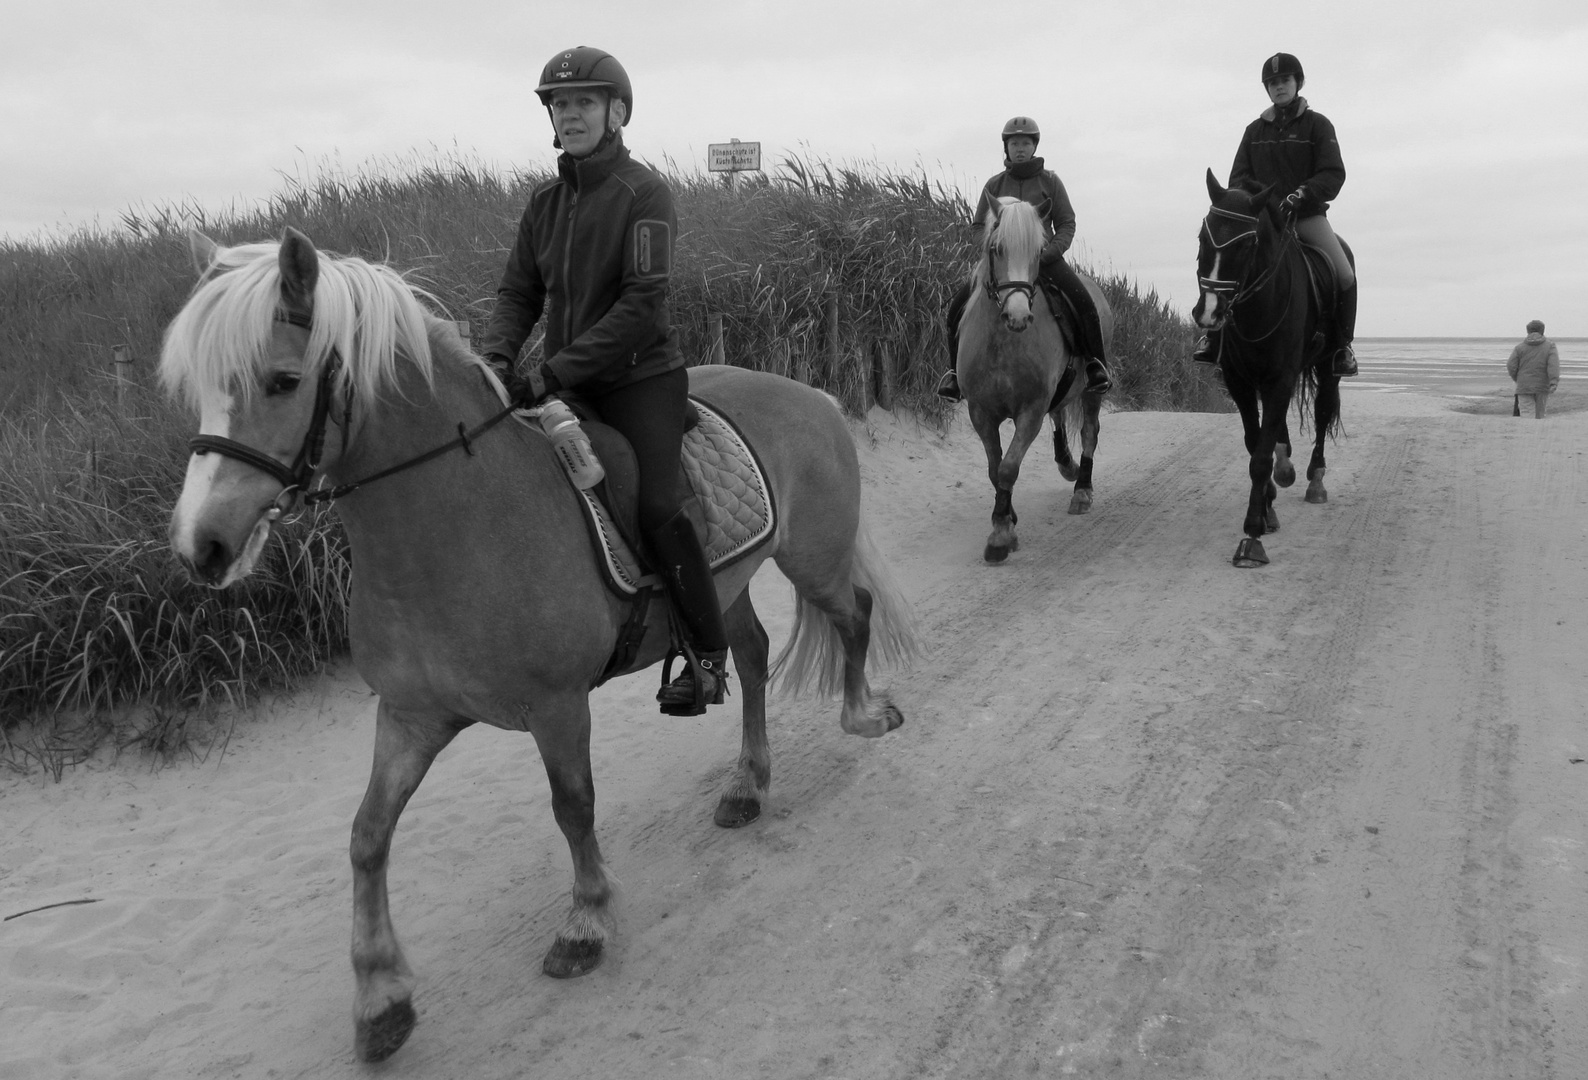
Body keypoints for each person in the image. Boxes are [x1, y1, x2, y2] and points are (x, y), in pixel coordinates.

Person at [482, 46, 729, 716]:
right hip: (567, 384)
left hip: (640, 379)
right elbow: (516, 295)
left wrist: (555, 370)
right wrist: (496, 361)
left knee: (654, 506)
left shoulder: (645, 193)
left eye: (583, 102)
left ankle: (706, 657)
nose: (569, 114)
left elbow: (642, 301)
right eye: (559, 105)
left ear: (616, 111)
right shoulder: (543, 204)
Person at [1194, 52, 1358, 377]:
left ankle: (1342, 347)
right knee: (1224, 262)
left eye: (1284, 80)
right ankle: (1213, 339)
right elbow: (1238, 178)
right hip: (1265, 221)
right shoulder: (1254, 130)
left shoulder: (1318, 125)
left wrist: (1303, 194)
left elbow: (1332, 173)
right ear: (1267, 89)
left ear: (1298, 82)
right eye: (1272, 83)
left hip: (1306, 218)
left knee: (1344, 275)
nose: (1279, 87)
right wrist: (1253, 203)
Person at [935, 116, 1113, 403]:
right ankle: (954, 375)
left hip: (1043, 258)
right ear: (1006, 148)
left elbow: (1066, 223)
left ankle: (1095, 365)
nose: (1020, 148)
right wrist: (993, 250)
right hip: (1003, 262)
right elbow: (979, 226)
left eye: (1026, 143)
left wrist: (1050, 252)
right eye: (1014, 143)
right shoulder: (995, 184)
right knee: (956, 307)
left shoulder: (1050, 182)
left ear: (1034, 146)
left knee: (1083, 301)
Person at [1507, 319, 1560, 419]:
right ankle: (1537, 433)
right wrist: (1553, 381)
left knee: (1526, 414)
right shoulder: (1550, 346)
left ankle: (1528, 433)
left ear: (1528, 331)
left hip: (1524, 385)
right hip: (1542, 385)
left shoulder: (1520, 347)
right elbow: (1553, 365)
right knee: (1540, 415)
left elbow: (1511, 365)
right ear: (1542, 331)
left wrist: (1518, 378)